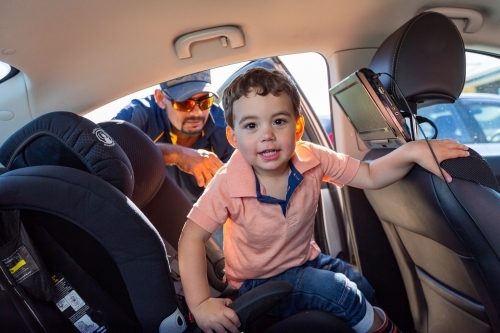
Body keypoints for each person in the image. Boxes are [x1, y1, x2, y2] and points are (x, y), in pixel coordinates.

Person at [177, 68, 470, 333]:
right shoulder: (228, 182)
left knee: (362, 286)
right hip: (259, 283)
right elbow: (192, 236)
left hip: (307, 259)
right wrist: (201, 304)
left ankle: (369, 318)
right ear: (233, 137)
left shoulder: (312, 157)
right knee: (338, 291)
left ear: (298, 127)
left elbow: (368, 174)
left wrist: (412, 151)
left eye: (278, 121)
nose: (267, 135)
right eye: (251, 126)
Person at [114, 70, 234, 204]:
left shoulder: (224, 129)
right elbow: (106, 148)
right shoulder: (141, 114)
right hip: (145, 209)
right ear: (160, 98)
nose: (197, 112)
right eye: (185, 103)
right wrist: (176, 154)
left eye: (205, 101)